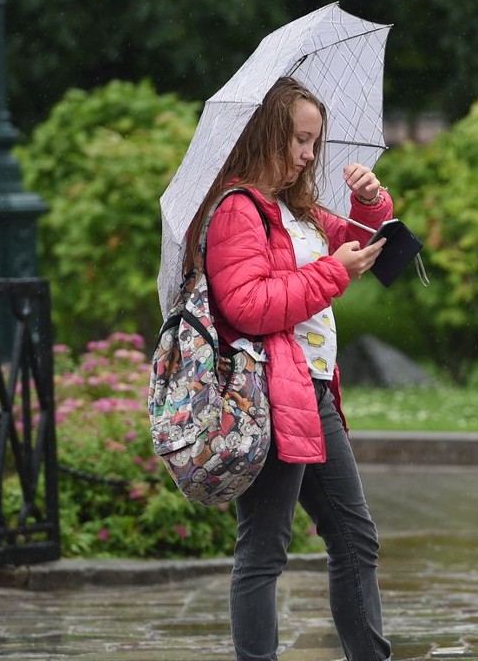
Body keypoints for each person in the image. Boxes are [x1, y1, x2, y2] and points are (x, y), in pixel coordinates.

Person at [183, 76, 393, 661]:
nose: (308, 154)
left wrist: (372, 203)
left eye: (314, 142)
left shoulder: (294, 209)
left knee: (354, 539)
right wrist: (334, 274)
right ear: (267, 134)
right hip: (268, 395)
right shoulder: (236, 209)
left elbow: (355, 243)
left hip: (310, 390)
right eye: (299, 140)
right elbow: (245, 306)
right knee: (264, 551)